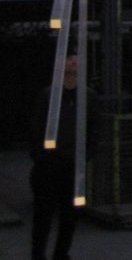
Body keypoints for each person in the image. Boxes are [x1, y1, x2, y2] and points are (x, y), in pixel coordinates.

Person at [29, 52, 97, 260]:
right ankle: (38, 255)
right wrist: (41, 156)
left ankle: (61, 254)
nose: (73, 63)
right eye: (70, 59)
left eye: (77, 60)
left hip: (72, 167)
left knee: (69, 217)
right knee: (44, 216)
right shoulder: (48, 95)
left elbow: (94, 129)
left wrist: (85, 156)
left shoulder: (88, 97)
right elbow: (36, 127)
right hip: (49, 166)